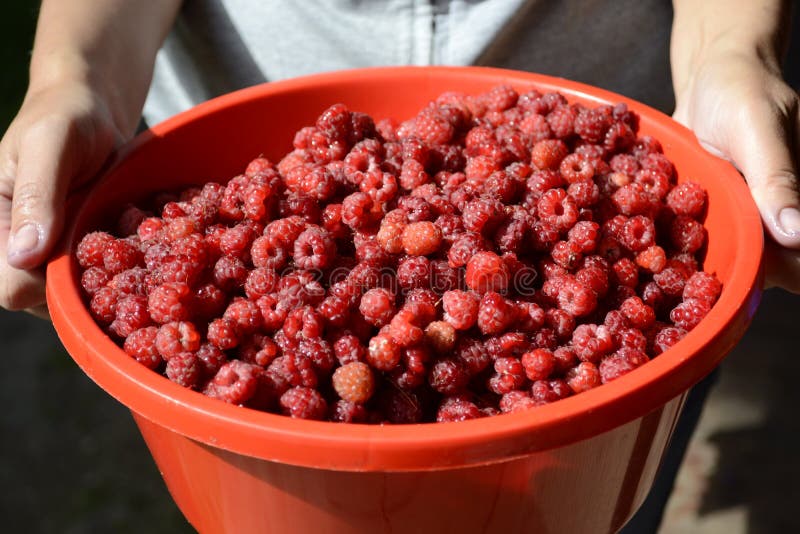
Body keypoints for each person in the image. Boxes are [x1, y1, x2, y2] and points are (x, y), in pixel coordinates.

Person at [0, 0, 797, 531]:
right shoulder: (244, 252)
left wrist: (729, 51)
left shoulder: (554, 230)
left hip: (605, 108)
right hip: (246, 145)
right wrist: (78, 77)